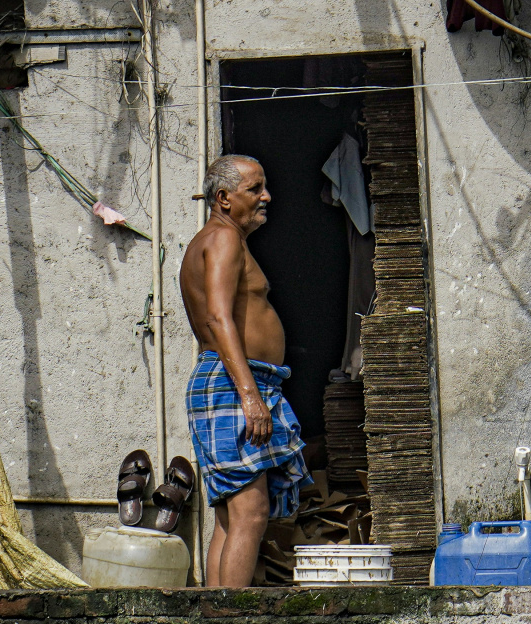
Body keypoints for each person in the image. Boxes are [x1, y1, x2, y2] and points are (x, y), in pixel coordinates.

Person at [180, 155, 313, 587]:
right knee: (251, 512)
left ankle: (217, 611)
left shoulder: (222, 239)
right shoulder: (222, 240)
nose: (266, 197)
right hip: (234, 382)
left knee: (230, 516)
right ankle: (232, 615)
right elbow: (219, 319)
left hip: (235, 382)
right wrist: (250, 394)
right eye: (255, 189)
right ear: (223, 198)